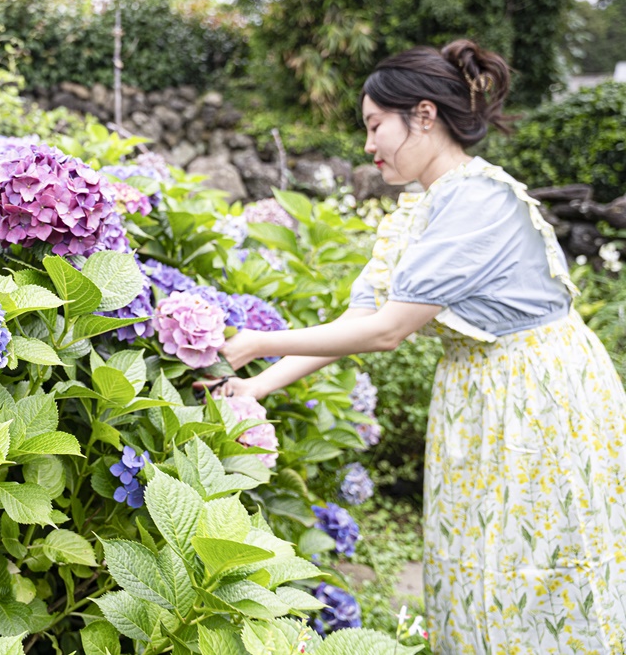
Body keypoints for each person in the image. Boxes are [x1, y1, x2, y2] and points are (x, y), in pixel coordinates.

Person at [201, 40, 626, 653]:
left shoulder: (479, 199)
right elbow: (360, 318)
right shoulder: (421, 209)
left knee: (542, 568)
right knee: (481, 566)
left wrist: (254, 343)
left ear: (423, 116)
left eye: (376, 125)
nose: (368, 145)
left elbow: (388, 330)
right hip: (481, 393)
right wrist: (255, 384)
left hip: (540, 396)